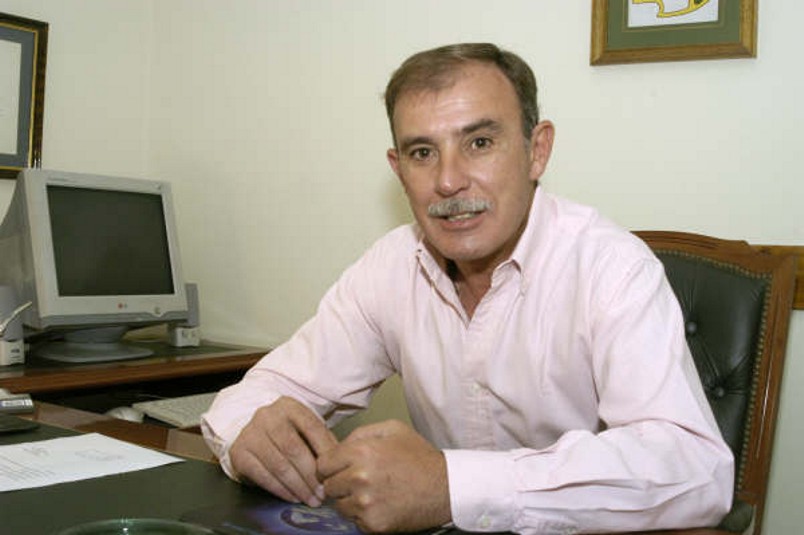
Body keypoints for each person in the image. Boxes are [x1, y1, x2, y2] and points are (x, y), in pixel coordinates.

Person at [201, 43, 734, 534]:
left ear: (537, 151)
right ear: (398, 170)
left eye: (479, 143)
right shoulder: (390, 266)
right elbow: (256, 395)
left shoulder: (611, 266)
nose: (448, 181)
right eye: (422, 152)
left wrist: (452, 485)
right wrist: (247, 431)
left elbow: (694, 467)